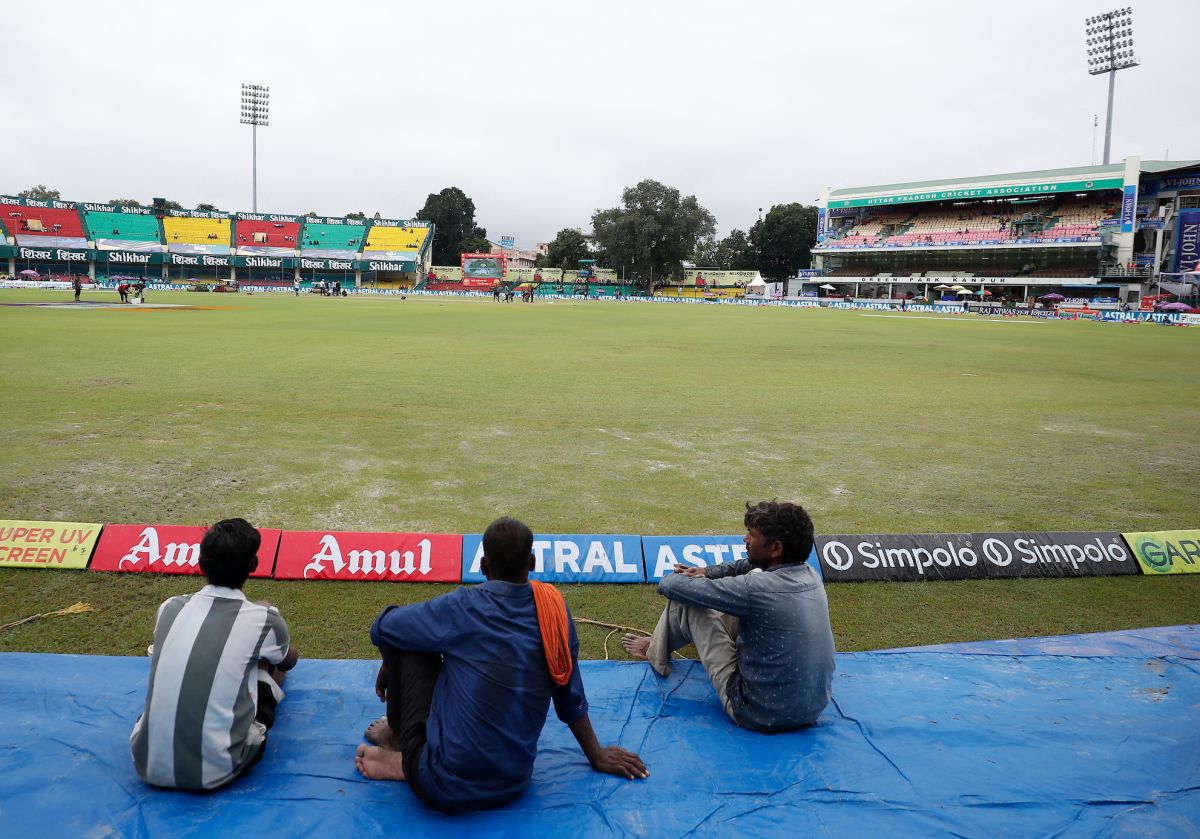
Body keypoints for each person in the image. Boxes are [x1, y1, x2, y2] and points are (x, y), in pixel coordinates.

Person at [355, 517, 647, 812]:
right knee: (425, 639)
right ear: (531, 562)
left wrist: (390, 664)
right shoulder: (555, 612)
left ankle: (399, 742)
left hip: (439, 783)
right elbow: (569, 694)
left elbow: (383, 627)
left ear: (484, 567)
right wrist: (595, 754)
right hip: (512, 783)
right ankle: (412, 752)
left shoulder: (462, 607)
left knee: (410, 640)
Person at [623, 501, 835, 733]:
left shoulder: (756, 588)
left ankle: (654, 650)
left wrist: (697, 580)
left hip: (757, 713)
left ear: (775, 548)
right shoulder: (811, 574)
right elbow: (749, 566)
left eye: (751, 535)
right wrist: (709, 572)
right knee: (746, 581)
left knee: (689, 602)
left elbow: (670, 585)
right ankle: (654, 644)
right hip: (812, 709)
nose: (745, 539)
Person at [130, 518, 299, 791]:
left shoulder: (170, 607)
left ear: (201, 562)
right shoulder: (264, 619)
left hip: (146, 762)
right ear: (253, 566)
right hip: (217, 769)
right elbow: (288, 661)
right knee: (266, 670)